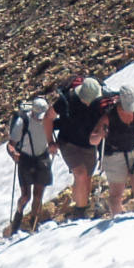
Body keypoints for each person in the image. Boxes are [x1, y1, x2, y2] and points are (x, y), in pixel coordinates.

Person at [51, 76, 110, 219]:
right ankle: (80, 212)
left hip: (89, 144)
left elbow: (105, 125)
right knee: (81, 174)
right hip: (68, 143)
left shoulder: (101, 101)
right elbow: (48, 117)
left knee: (86, 178)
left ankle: (83, 205)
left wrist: (104, 153)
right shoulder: (67, 100)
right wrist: (50, 142)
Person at [3, 96, 54, 236]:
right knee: (26, 196)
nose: (40, 119)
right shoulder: (22, 122)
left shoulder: (49, 118)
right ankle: (17, 220)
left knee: (39, 194)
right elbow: (11, 144)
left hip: (42, 157)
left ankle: (34, 224)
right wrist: (13, 154)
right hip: (25, 159)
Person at [99, 87, 134, 215]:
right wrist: (100, 134)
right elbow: (93, 139)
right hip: (114, 156)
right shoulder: (109, 115)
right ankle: (117, 221)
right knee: (116, 194)